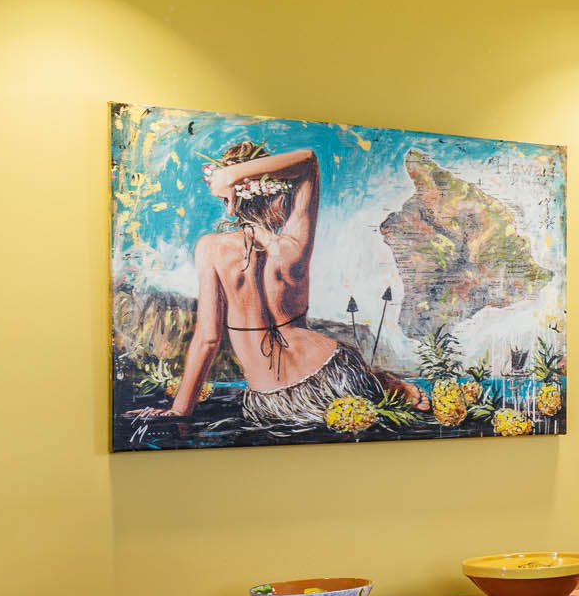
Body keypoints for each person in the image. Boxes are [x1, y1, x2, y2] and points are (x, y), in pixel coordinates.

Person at [127, 141, 421, 430]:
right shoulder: (292, 245)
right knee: (363, 396)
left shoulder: (211, 249)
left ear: (233, 200)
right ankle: (381, 383)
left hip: (276, 397)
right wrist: (234, 176)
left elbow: (208, 339)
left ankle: (384, 383)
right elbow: (308, 161)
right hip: (335, 369)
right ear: (277, 195)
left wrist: (180, 409)